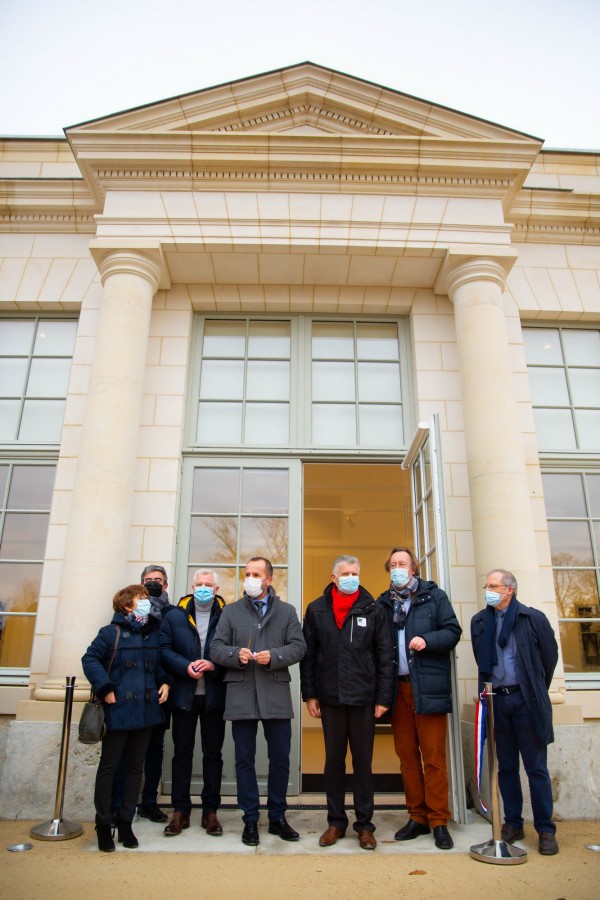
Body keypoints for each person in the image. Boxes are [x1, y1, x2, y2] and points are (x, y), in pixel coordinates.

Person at [211, 557, 306, 846]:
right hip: (241, 693)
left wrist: (275, 656)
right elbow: (216, 647)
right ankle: (250, 819)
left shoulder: (287, 612)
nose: (249, 579)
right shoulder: (231, 612)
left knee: (280, 758)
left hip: (275, 692)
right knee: (244, 760)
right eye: (247, 574)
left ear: (268, 580)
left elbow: (299, 646)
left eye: (256, 574)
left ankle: (277, 816)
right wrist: (234, 654)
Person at [301, 555, 393, 851]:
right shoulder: (316, 609)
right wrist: (310, 695)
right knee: (334, 762)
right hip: (330, 698)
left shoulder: (374, 609)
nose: (351, 577)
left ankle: (365, 826)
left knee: (363, 763)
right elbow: (309, 657)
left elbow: (384, 657)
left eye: (355, 572)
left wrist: (382, 698)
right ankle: (335, 822)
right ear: (333, 577)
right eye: (345, 573)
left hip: (364, 699)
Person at [378, 547, 461, 850]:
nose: (398, 568)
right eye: (393, 565)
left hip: (426, 686)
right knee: (406, 757)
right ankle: (417, 816)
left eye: (403, 564)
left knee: (434, 758)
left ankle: (439, 819)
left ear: (414, 569)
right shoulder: (383, 604)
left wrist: (427, 640)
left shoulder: (433, 597)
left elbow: (453, 631)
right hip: (395, 689)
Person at [471, 569, 559, 855]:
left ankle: (545, 829)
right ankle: (513, 823)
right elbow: (480, 660)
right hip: (497, 702)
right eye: (487, 586)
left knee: (536, 768)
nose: (489, 590)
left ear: (509, 590)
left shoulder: (532, 618)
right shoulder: (480, 621)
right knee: (505, 767)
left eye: (494, 585)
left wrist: (533, 689)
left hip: (526, 702)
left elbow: (549, 657)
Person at [82, 584, 171, 852]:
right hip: (118, 709)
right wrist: (105, 686)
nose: (146, 601)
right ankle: (103, 823)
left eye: (146, 598)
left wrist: (164, 682)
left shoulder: (152, 632)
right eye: (141, 598)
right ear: (126, 604)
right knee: (109, 767)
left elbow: (157, 666)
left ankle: (125, 823)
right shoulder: (111, 632)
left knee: (135, 768)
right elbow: (90, 659)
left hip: (146, 711)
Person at [159, 569, 227, 837]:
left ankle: (211, 811)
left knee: (213, 755)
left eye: (208, 585)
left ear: (216, 589)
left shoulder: (226, 616)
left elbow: (232, 652)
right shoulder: (175, 615)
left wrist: (214, 665)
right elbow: (163, 650)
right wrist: (184, 666)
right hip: (183, 697)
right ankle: (180, 810)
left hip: (214, 698)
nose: (202, 588)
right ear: (191, 586)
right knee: (182, 753)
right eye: (198, 584)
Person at [111, 564, 173, 825]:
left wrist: (166, 681)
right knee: (124, 756)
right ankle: (120, 807)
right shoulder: (124, 617)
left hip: (156, 695)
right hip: (126, 698)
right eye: (148, 581)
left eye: (158, 580)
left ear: (166, 585)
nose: (153, 584)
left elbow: (166, 653)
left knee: (154, 752)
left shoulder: (172, 614)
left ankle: (149, 802)